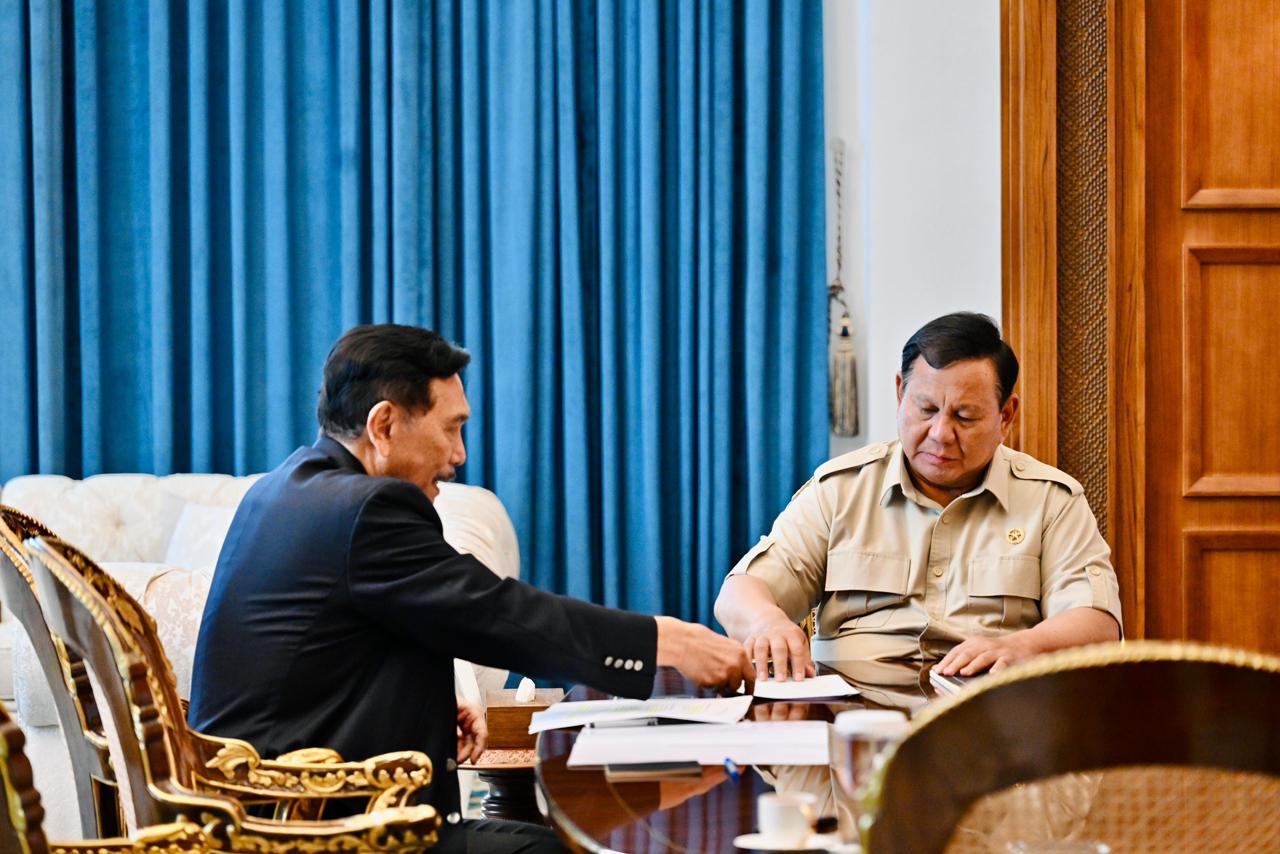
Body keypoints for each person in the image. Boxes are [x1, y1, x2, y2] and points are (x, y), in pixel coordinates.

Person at [189, 324, 752, 853]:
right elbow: (497, 612)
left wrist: (428, 702)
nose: (459, 456)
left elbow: (328, 650)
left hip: (253, 814)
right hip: (309, 828)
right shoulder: (368, 509)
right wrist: (668, 643)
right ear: (383, 426)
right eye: (452, 428)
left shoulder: (286, 487)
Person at [715, 312, 1121, 683]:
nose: (941, 433)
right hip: (853, 720)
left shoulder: (1051, 500)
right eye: (926, 409)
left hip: (989, 719)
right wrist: (767, 622)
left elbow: (1097, 624)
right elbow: (739, 592)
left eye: (965, 417)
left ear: (1006, 416)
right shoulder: (842, 489)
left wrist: (1021, 646)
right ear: (900, 393)